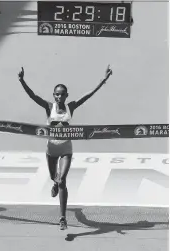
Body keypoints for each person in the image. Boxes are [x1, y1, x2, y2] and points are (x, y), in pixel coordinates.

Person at [18, 65, 113, 230]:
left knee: (62, 180)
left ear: (66, 95)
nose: (60, 96)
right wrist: (22, 80)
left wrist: (103, 80)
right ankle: (54, 183)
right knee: (54, 178)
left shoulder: (72, 106)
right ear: (54, 95)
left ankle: (62, 218)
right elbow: (33, 96)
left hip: (66, 149)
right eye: (57, 94)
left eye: (62, 94)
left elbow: (88, 95)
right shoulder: (49, 107)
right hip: (51, 149)